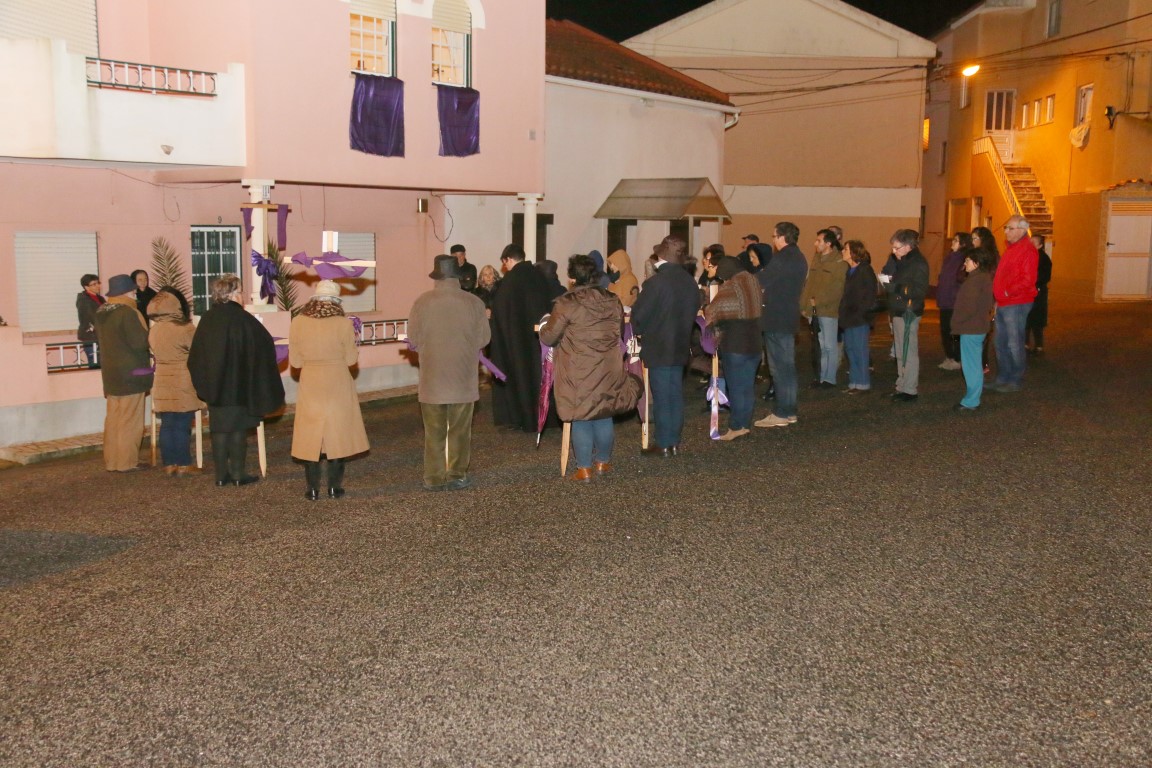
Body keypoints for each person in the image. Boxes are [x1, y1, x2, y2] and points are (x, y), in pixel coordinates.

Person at [540, 254, 642, 480]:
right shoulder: (612, 300)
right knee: (604, 413)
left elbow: (549, 337)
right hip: (608, 366)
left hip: (577, 369)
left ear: (572, 278)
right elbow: (619, 332)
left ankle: (584, 468)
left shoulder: (566, 303)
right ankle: (603, 462)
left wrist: (545, 324)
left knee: (581, 415)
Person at [188, 274, 285, 487]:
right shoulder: (243, 319)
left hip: (215, 387)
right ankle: (239, 474)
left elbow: (196, 355)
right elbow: (264, 344)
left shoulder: (207, 319)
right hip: (239, 385)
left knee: (219, 429)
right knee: (238, 429)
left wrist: (205, 382)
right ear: (232, 294)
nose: (242, 296)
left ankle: (221, 476)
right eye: (240, 292)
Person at [409, 255, 491, 491]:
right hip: (463, 379)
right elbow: (484, 339)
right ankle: (456, 475)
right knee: (459, 431)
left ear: (436, 277)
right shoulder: (474, 303)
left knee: (433, 432)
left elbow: (413, 339)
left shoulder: (422, 302)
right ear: (458, 276)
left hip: (432, 379)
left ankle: (433, 477)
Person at [289, 280, 370, 500]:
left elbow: (295, 362)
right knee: (337, 434)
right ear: (336, 302)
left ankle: (312, 489)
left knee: (311, 435)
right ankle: (334, 488)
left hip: (311, 382)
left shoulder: (298, 322)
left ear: (314, 300)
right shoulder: (343, 324)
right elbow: (351, 359)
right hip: (337, 381)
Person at [631, 235, 700, 456]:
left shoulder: (655, 283)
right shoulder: (690, 282)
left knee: (661, 396)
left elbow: (639, 315)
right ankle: (674, 441)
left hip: (658, 345)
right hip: (680, 344)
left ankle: (662, 443)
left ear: (661, 256)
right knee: (675, 394)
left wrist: (640, 329)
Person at [490, 243, 554, 432]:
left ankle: (524, 418)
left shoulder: (509, 282)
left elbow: (500, 312)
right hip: (540, 341)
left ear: (508, 259)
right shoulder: (539, 276)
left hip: (517, 343)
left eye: (505, 263)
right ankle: (546, 417)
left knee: (522, 379)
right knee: (541, 377)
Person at [94, 274, 154, 471]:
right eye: (133, 290)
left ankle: (112, 461)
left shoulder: (102, 311)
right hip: (132, 374)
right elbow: (140, 343)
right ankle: (127, 462)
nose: (135, 294)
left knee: (113, 420)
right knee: (130, 420)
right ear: (126, 292)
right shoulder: (128, 312)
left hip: (111, 374)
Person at [754, 222, 808, 427]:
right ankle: (789, 411)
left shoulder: (783, 258)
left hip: (776, 318)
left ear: (783, 237)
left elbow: (761, 280)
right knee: (787, 367)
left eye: (774, 236)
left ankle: (782, 413)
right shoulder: (799, 256)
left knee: (779, 368)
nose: (773, 240)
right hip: (787, 317)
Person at [703, 256, 762, 440]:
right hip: (754, 341)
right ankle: (745, 423)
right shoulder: (753, 280)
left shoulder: (730, 286)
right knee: (747, 386)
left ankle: (736, 427)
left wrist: (705, 307)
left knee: (736, 387)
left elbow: (713, 311)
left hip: (735, 342)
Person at [147, 287, 204, 475]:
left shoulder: (154, 330)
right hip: (182, 378)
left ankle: (169, 463)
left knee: (167, 424)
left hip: (162, 379)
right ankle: (184, 464)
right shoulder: (185, 328)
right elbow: (198, 351)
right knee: (182, 423)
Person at [991, 215, 1039, 392]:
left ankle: (1015, 379)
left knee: (1014, 343)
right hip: (1005, 302)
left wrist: (1006, 292)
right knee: (1000, 342)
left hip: (1017, 302)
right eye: (1006, 228)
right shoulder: (1012, 248)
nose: (1006, 231)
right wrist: (999, 298)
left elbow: (1028, 280)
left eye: (1010, 228)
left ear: (1022, 230)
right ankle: (1003, 376)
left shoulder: (1027, 250)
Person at [883, 229, 930, 403]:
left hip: (908, 312)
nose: (893, 251)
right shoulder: (904, 261)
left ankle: (909, 389)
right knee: (901, 352)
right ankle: (901, 385)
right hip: (899, 310)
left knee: (908, 352)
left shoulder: (918, 263)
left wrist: (895, 287)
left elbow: (919, 290)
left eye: (897, 248)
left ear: (908, 246)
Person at [952, 247, 996, 412]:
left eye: (967, 260)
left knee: (971, 366)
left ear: (976, 263)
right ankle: (973, 397)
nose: (965, 263)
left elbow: (968, 307)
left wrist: (956, 322)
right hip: (978, 326)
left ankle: (971, 400)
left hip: (971, 327)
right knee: (975, 364)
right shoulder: (983, 278)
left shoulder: (974, 281)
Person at [804, 228, 847, 388]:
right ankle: (822, 377)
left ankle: (830, 378)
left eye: (819, 241)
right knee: (821, 346)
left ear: (828, 243)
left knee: (829, 346)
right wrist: (804, 305)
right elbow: (810, 284)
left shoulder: (839, 262)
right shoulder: (817, 259)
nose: (815, 243)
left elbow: (837, 289)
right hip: (814, 310)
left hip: (828, 310)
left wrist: (818, 302)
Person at [838, 240, 878, 394]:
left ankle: (862, 383)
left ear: (854, 252)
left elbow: (870, 295)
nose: (843, 251)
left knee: (859, 350)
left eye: (845, 249)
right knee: (850, 349)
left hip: (859, 318)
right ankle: (854, 381)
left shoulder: (865, 270)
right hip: (849, 318)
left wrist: (860, 312)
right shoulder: (851, 271)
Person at [936, 232, 971, 371]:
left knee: (955, 332)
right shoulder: (949, 258)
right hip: (944, 300)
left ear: (963, 244)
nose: (953, 242)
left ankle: (957, 357)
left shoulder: (964, 259)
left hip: (955, 302)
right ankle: (949, 355)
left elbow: (961, 280)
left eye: (956, 240)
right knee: (945, 330)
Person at [970, 226, 1000, 371]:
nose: (973, 242)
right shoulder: (982, 255)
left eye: (975, 238)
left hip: (985, 297)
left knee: (981, 330)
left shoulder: (987, 257)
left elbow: (993, 277)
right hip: (980, 296)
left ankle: (981, 363)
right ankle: (979, 362)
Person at [1026, 233, 1052, 354]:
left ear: (1040, 245)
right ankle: (1025, 343)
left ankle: (1039, 345)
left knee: (1036, 320)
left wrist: (1032, 282)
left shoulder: (1043, 259)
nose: (1030, 244)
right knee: (1026, 318)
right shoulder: (1028, 256)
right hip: (1028, 291)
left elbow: (1044, 276)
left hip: (1038, 292)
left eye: (1033, 242)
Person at [76, 273, 105, 368]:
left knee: (103, 364)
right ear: (86, 287)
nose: (97, 286)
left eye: (98, 283)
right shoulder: (83, 300)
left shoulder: (100, 298)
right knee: (95, 364)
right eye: (94, 284)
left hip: (100, 335)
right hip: (90, 336)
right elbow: (92, 316)